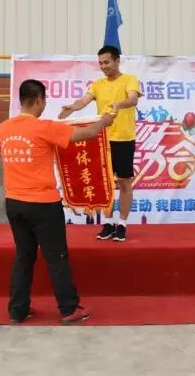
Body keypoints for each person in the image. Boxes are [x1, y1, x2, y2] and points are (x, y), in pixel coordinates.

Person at [0, 79, 115, 325]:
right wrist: (104, 121)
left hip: (14, 202)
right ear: (39, 99)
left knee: (23, 257)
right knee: (56, 257)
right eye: (44, 100)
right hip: (42, 204)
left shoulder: (4, 128)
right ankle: (69, 309)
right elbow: (87, 133)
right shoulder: (43, 128)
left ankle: (17, 310)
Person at [58, 45, 142, 242]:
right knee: (104, 184)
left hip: (123, 139)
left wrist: (119, 104)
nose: (103, 66)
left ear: (117, 61)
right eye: (101, 63)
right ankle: (108, 223)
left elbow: (133, 99)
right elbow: (83, 101)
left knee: (124, 182)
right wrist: (72, 107)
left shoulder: (130, 80)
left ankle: (122, 225)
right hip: (101, 140)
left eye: (107, 62)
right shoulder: (97, 84)